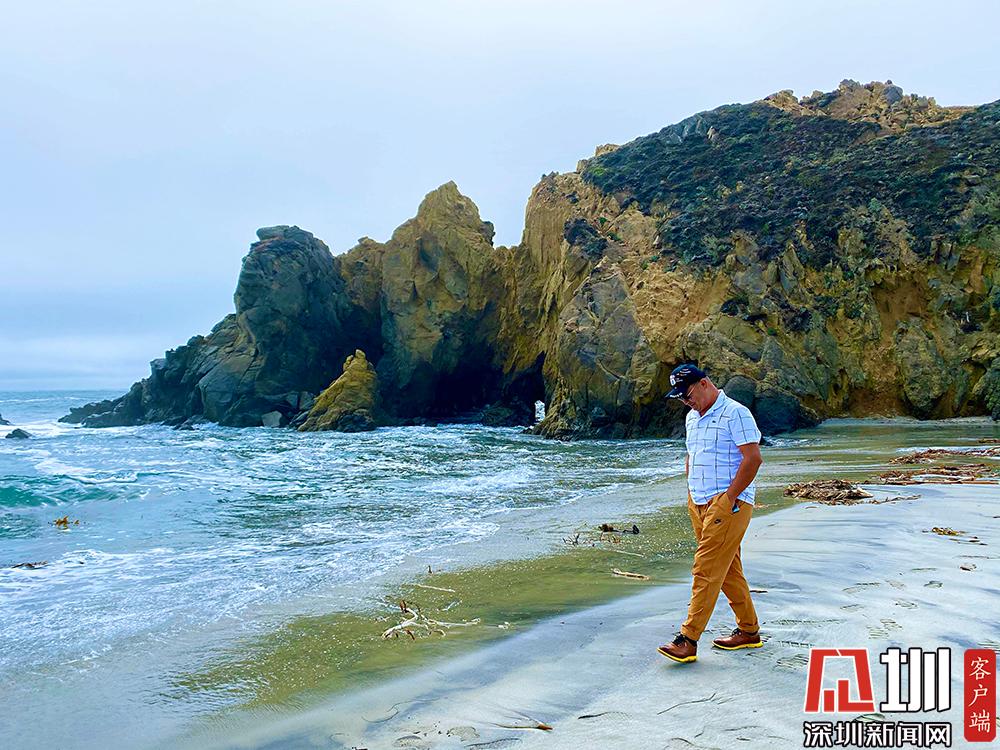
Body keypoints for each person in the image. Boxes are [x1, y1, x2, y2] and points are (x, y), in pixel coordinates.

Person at [657, 363, 764, 664]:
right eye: (680, 397)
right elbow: (693, 455)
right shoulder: (692, 417)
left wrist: (728, 499)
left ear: (704, 383)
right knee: (727, 570)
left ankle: (688, 639)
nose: (686, 401)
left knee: (705, 569)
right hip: (699, 502)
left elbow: (753, 458)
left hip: (729, 504)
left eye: (688, 394)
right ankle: (749, 631)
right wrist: (691, 492)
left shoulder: (736, 413)